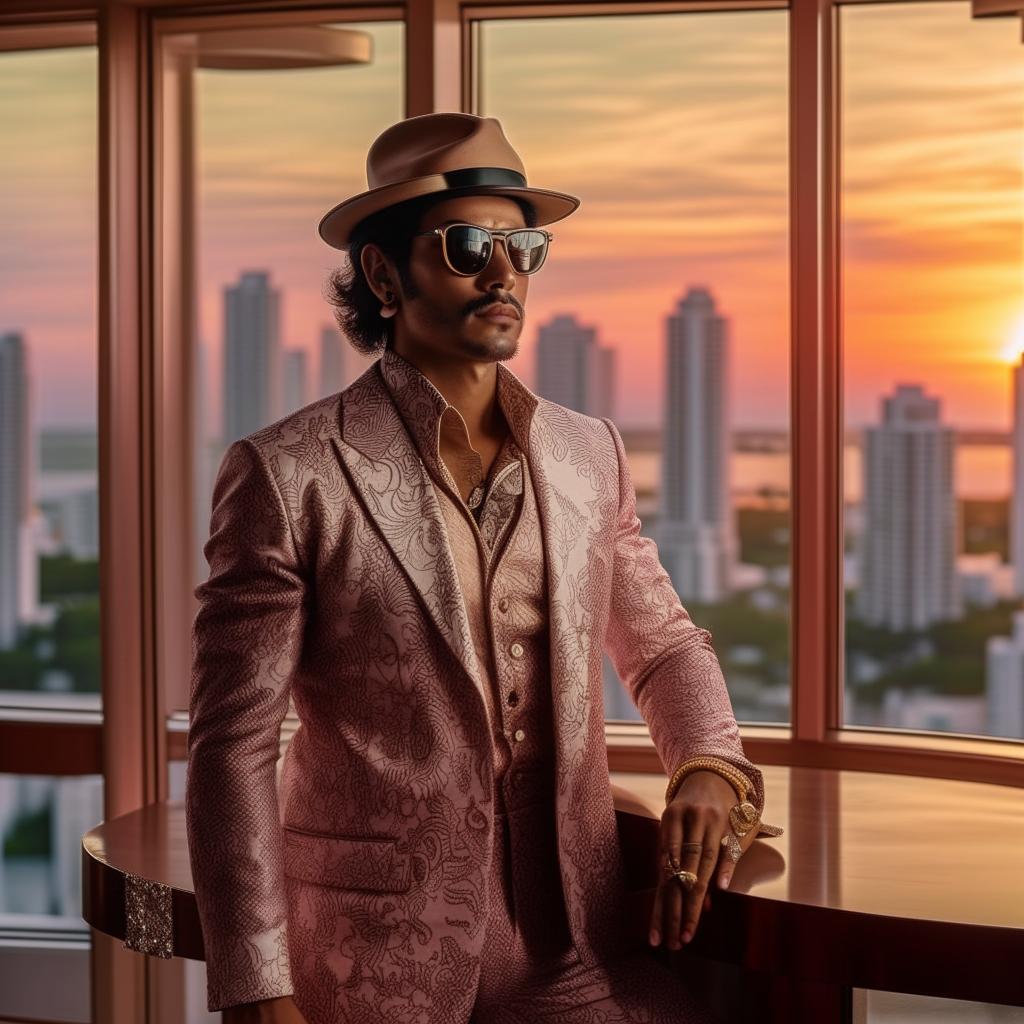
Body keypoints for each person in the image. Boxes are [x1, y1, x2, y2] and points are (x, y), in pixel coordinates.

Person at [185, 112, 781, 1024]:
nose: (504, 272)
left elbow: (662, 646)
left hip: (573, 948)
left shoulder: (590, 455)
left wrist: (707, 762)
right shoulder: (288, 472)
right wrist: (257, 985)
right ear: (383, 273)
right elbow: (233, 744)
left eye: (521, 245)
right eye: (468, 244)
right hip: (369, 959)